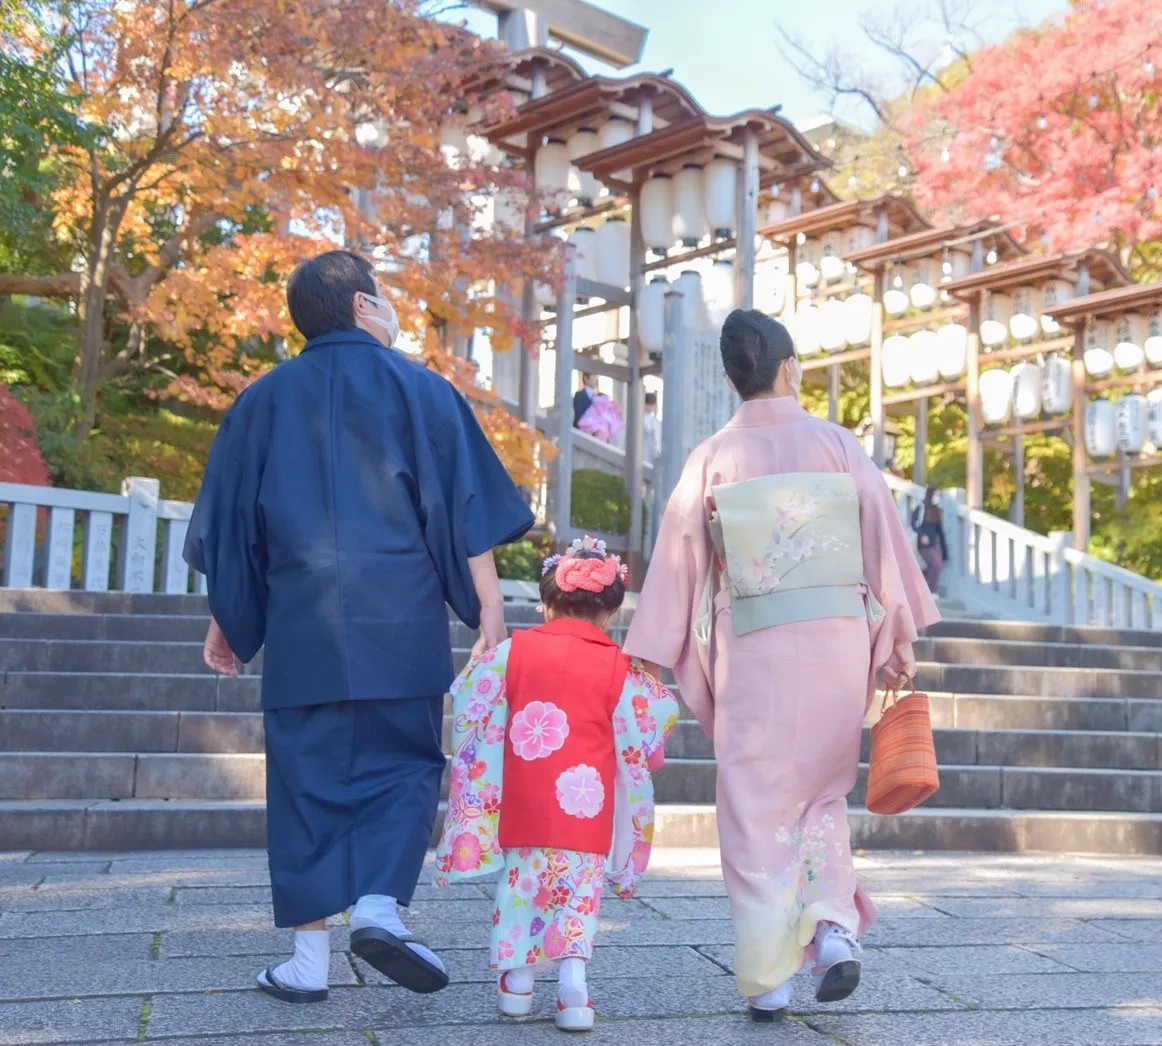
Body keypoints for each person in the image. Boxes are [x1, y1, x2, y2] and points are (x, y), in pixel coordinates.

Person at [185, 250, 535, 1005]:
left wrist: (231, 620)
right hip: (398, 613)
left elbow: (232, 524)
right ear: (363, 307)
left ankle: (307, 963)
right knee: (405, 761)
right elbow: (463, 505)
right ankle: (379, 907)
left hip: (303, 615)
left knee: (304, 779)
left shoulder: (262, 400)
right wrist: (491, 609)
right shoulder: (422, 391)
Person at [623, 309, 939, 1020]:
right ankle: (831, 929)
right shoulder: (836, 444)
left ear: (735, 378)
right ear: (789, 368)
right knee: (822, 794)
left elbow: (678, 561)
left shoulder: (711, 458)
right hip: (832, 641)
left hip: (755, 646)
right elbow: (883, 545)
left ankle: (769, 976)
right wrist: (898, 637)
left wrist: (647, 652)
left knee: (753, 804)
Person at [433, 535, 679, 1032]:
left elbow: (467, 698)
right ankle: (572, 988)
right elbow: (654, 717)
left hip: (525, 800)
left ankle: (518, 985)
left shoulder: (513, 651)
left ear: (547, 606)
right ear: (609, 614)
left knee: (522, 888)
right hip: (585, 808)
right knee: (577, 895)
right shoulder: (619, 666)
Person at [910, 487, 948, 595]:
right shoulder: (922, 508)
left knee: (934, 566)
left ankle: (923, 589)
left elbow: (940, 530)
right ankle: (928, 591)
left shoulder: (937, 510)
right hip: (925, 544)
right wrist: (922, 535)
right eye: (936, 495)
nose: (938, 498)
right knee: (935, 565)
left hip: (936, 543)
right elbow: (914, 523)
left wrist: (945, 551)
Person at [642, 391, 661, 467]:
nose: (650, 407)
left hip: (653, 451)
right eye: (648, 404)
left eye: (652, 405)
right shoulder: (639, 418)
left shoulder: (656, 421)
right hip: (642, 450)